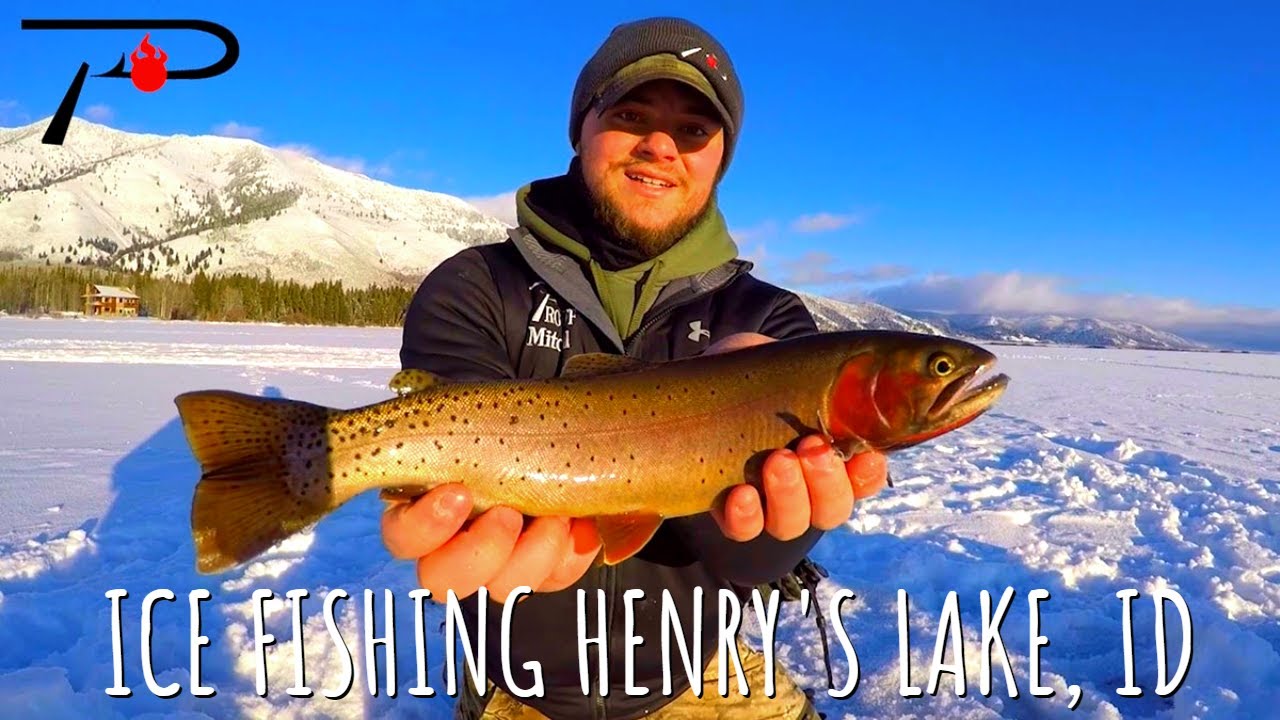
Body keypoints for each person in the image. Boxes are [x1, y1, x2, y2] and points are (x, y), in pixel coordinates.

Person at [383, 16, 889, 719]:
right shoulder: (476, 285)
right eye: (631, 115)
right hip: (516, 693)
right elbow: (451, 447)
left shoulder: (771, 325)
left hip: (701, 675)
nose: (661, 145)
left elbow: (751, 564)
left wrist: (761, 498)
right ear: (581, 127)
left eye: (693, 130)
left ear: (719, 159)